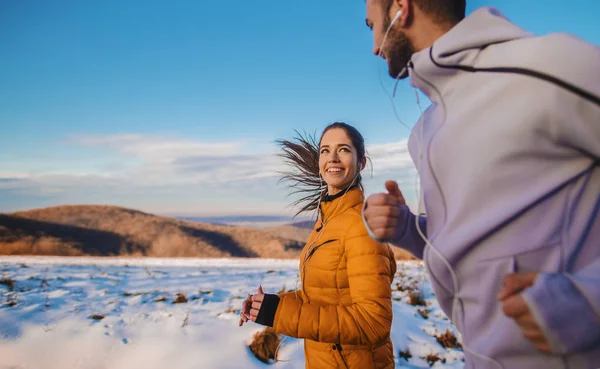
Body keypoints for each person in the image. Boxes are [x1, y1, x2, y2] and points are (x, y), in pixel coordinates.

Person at [362, 0, 600, 368]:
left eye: (371, 26)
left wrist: (590, 300)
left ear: (400, 9)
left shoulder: (547, 66)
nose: (374, 47)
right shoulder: (423, 132)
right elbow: (460, 249)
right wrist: (408, 229)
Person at [239, 122, 397, 369]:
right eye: (325, 150)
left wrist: (279, 315)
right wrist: (270, 305)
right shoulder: (329, 220)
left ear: (362, 162)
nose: (332, 157)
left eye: (343, 149)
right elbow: (322, 296)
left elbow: (373, 322)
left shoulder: (360, 226)